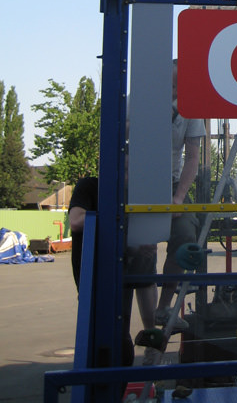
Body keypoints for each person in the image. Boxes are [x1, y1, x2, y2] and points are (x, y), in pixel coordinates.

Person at [69, 176, 159, 365]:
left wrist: (138, 248)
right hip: (96, 277)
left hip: (119, 273)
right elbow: (76, 221)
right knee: (101, 337)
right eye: (124, 169)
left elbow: (122, 241)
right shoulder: (90, 186)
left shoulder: (131, 193)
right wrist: (117, 215)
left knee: (121, 342)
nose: (127, 174)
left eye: (129, 170)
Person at [153, 59, 206, 329]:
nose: (174, 91)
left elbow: (193, 158)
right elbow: (123, 134)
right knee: (139, 245)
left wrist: (179, 198)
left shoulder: (191, 109)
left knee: (186, 233)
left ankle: (164, 306)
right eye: (170, 85)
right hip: (137, 181)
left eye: (179, 87)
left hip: (172, 183)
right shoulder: (140, 100)